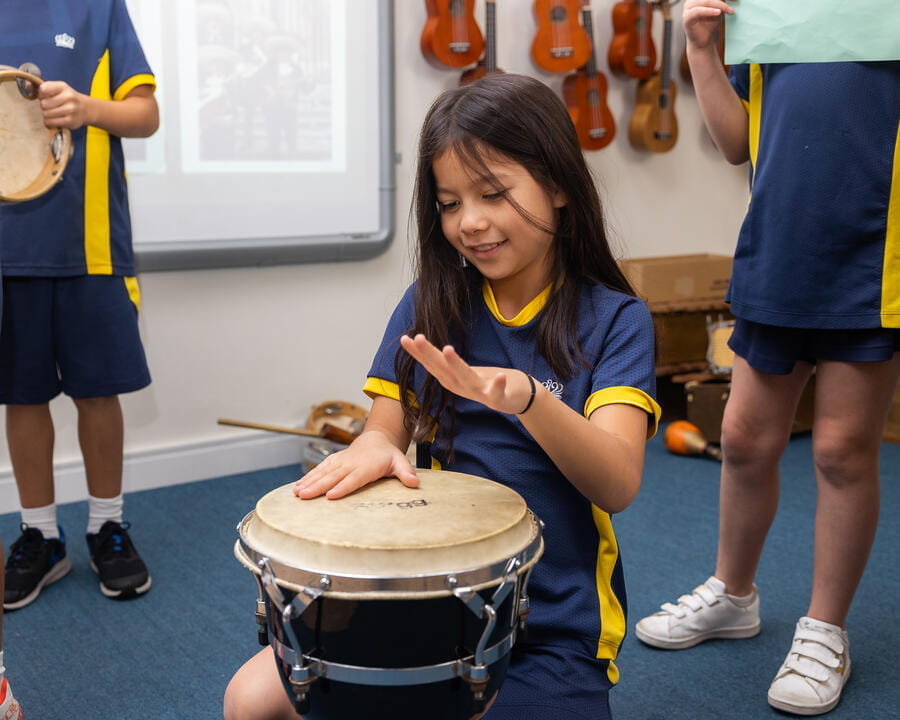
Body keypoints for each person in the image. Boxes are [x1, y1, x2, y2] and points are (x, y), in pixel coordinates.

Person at [222, 73, 661, 720]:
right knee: (249, 700)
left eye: (493, 193)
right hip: (426, 603)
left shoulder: (616, 320)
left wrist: (527, 401)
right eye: (449, 203)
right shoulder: (433, 301)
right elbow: (383, 432)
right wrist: (373, 450)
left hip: (550, 626)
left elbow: (618, 483)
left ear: (561, 185)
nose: (470, 223)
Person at [634, 1, 900, 716]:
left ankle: (825, 629)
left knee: (844, 452)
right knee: (747, 440)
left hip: (870, 259)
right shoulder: (776, 15)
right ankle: (734, 592)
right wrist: (699, 49)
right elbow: (733, 142)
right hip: (776, 253)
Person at [0, 0, 159, 609]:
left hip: (92, 246)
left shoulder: (100, 7)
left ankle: (107, 525)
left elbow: (146, 115)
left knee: (98, 391)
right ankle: (39, 534)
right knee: (21, 393)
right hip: (11, 251)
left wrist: (88, 109)